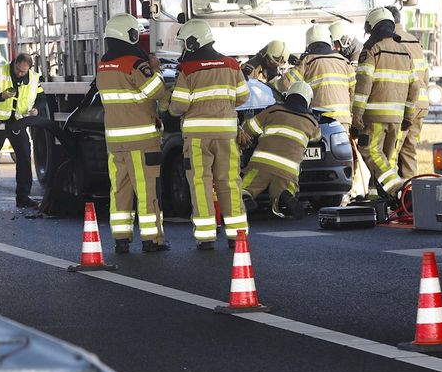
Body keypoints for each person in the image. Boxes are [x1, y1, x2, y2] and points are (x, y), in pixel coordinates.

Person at [168, 19, 250, 250]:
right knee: (229, 182)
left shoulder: (188, 69)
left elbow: (179, 106)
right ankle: (237, 235)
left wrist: (171, 108)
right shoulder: (232, 65)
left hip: (197, 138)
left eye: (185, 43)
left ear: (194, 42)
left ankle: (205, 237)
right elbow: (243, 97)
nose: (183, 48)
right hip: (226, 135)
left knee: (200, 183)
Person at [97, 13, 169, 253]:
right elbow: (156, 91)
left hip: (115, 141)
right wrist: (156, 69)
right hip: (142, 141)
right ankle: (152, 240)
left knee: (120, 190)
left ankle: (121, 238)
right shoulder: (135, 64)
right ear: (129, 35)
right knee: (147, 189)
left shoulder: (104, 66)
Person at [350, 7, 422, 201]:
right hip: (397, 118)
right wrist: (408, 116)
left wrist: (356, 116)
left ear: (373, 26)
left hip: (374, 117)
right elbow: (415, 88)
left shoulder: (372, 49)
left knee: (370, 152)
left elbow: (363, 84)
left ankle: (398, 189)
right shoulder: (405, 53)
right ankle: (376, 197)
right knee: (386, 159)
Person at [238, 81, 320, 219]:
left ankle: (245, 198)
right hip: (288, 170)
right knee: (287, 188)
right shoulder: (312, 122)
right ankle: (282, 200)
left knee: (247, 186)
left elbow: (249, 129)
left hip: (262, 164)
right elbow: (316, 137)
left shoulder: (273, 111)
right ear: (308, 101)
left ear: (287, 96)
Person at [0, 53, 42, 210]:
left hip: (18, 123)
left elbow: (42, 98)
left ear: (29, 69)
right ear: (14, 64)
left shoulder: (33, 78)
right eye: (18, 70)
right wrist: (1, 96)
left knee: (25, 158)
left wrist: (37, 109)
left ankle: (23, 197)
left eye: (23, 72)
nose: (20, 74)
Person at [275, 24, 356, 127]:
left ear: (308, 43)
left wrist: (273, 82)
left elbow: (284, 84)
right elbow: (355, 92)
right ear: (329, 40)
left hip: (320, 119)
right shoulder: (344, 62)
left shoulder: (308, 61)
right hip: (344, 120)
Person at [385, 6, 430, 181]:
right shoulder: (414, 41)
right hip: (421, 104)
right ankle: (410, 195)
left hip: (405, 106)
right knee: (409, 151)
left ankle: (390, 193)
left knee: (392, 152)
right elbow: (425, 76)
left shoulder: (391, 42)